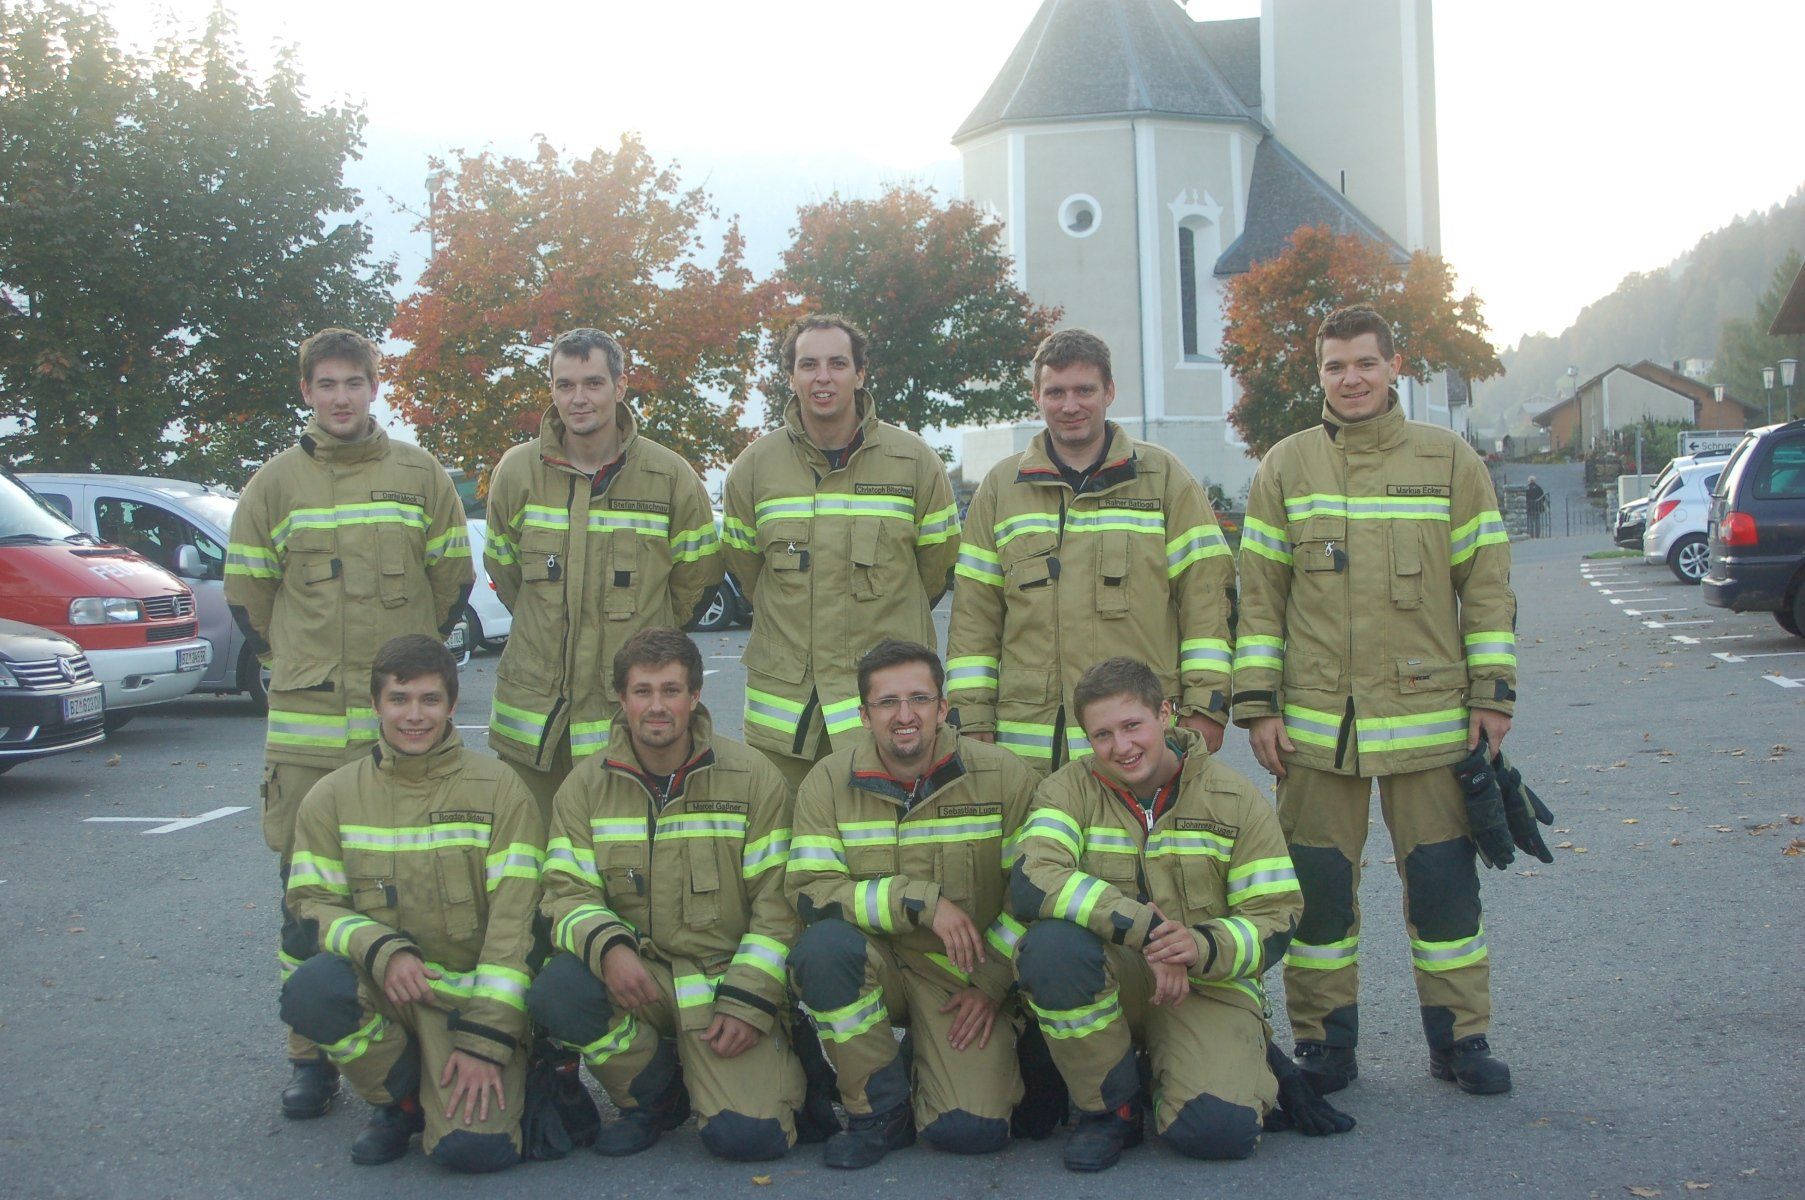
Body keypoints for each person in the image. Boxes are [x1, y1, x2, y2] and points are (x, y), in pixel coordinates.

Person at [1233, 304, 1518, 1095]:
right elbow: (1258, 598)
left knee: (1443, 887)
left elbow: (1486, 586)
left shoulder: (1448, 459)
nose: (1350, 378)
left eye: (1364, 363)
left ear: (1394, 367)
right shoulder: (1285, 466)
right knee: (1318, 894)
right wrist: (1258, 706)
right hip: (1316, 730)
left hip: (1431, 722)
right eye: (1335, 366)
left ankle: (1460, 1040)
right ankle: (1324, 1044)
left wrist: (1492, 695)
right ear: (1318, 374)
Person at [226, 328, 473, 1120]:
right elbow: (249, 598)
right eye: (325, 384)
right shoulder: (273, 485)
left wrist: (408, 670)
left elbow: (451, 581)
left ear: (374, 387)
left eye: (353, 382)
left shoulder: (420, 475)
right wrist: (298, 662)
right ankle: (311, 1056)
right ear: (306, 391)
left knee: (418, 887)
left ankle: (409, 1041)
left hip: (400, 736)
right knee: (305, 894)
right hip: (307, 736)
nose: (340, 397)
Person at [525, 628, 812, 1161]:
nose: (657, 706)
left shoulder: (752, 778)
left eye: (671, 690)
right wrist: (609, 948)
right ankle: (652, 1096)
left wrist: (749, 1000)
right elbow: (564, 892)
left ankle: (779, 1055)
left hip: (723, 981)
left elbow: (779, 905)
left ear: (695, 696)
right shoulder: (584, 787)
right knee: (559, 988)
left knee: (748, 1140)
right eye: (643, 691)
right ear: (622, 698)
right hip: (639, 977)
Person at [1009, 657, 1306, 1171]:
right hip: (1115, 976)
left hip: (1205, 983)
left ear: (1165, 714)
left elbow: (1276, 916)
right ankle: (1109, 1109)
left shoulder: (1235, 798)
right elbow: (1033, 878)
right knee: (1051, 950)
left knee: (1216, 1133)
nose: (1121, 747)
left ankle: (1176, 1070)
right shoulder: (1066, 790)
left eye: (1132, 726)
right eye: (1102, 735)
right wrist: (1147, 932)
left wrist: (1200, 946)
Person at [279, 635, 543, 1172]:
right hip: (389, 993)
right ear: (375, 704)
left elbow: (515, 927)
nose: (414, 716)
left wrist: (488, 1037)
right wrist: (382, 949)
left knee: (473, 1152)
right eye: (399, 699)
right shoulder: (331, 797)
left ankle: (503, 1074)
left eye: (429, 700)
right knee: (313, 989)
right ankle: (398, 1102)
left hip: (469, 1007)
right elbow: (310, 905)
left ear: (452, 704)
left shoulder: (500, 790)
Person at [785, 639, 1036, 1169]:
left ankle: (928, 1059)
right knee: (822, 949)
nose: (905, 716)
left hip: (961, 978)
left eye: (919, 699)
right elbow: (812, 890)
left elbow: (1032, 894)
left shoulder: (1002, 776)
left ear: (943, 708)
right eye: (887, 702)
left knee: (970, 1131)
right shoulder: (826, 782)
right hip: (871, 963)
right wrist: (916, 901)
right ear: (864, 715)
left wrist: (992, 984)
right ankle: (878, 1110)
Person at [947, 328, 1234, 774]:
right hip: (1030, 740)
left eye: (1085, 390)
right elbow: (974, 615)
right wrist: (971, 714)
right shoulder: (1001, 489)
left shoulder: (1163, 479)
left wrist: (1206, 704)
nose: (1070, 406)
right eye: (1055, 392)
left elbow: (1207, 597)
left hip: (1136, 736)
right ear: (1036, 397)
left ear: (1109, 392)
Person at [484, 328, 723, 818]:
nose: (579, 398)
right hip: (536, 727)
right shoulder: (516, 473)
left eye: (593, 383)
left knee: (623, 852)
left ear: (620, 386)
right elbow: (506, 574)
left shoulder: (669, 477)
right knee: (529, 851)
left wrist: (651, 639)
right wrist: (544, 620)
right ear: (552, 389)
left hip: (629, 726)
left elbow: (698, 580)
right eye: (565, 385)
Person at [720, 314, 961, 793]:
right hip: (787, 723)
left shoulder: (914, 462)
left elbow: (936, 569)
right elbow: (746, 567)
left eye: (837, 363)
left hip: (888, 714)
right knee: (785, 834)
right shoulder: (754, 467)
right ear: (791, 377)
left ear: (860, 373)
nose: (823, 377)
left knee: (883, 832)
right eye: (808, 364)